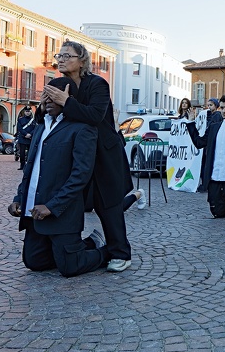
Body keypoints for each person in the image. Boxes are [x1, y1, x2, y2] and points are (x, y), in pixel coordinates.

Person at [42, 40, 134, 272]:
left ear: (82, 60)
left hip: (104, 156)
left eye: (67, 55)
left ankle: (120, 253)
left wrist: (66, 102)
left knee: (108, 205)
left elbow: (95, 115)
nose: (60, 59)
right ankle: (75, 247)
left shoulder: (97, 84)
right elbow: (44, 117)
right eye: (59, 55)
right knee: (72, 202)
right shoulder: (58, 84)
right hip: (74, 156)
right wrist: (42, 108)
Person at [8, 77, 108, 277]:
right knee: (33, 261)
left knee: (69, 268)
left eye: (54, 97)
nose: (47, 102)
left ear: (67, 98)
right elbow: (30, 170)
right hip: (35, 213)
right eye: (45, 96)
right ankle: (79, 246)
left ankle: (107, 250)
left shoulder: (82, 128)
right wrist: (18, 199)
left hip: (62, 214)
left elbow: (81, 176)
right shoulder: (41, 127)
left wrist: (52, 207)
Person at [196, 98, 224, 193]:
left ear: (216, 106)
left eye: (211, 105)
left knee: (207, 164)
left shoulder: (216, 115)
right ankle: (205, 183)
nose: (209, 107)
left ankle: (206, 184)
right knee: (204, 164)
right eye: (208, 105)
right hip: (207, 143)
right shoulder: (209, 115)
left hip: (211, 143)